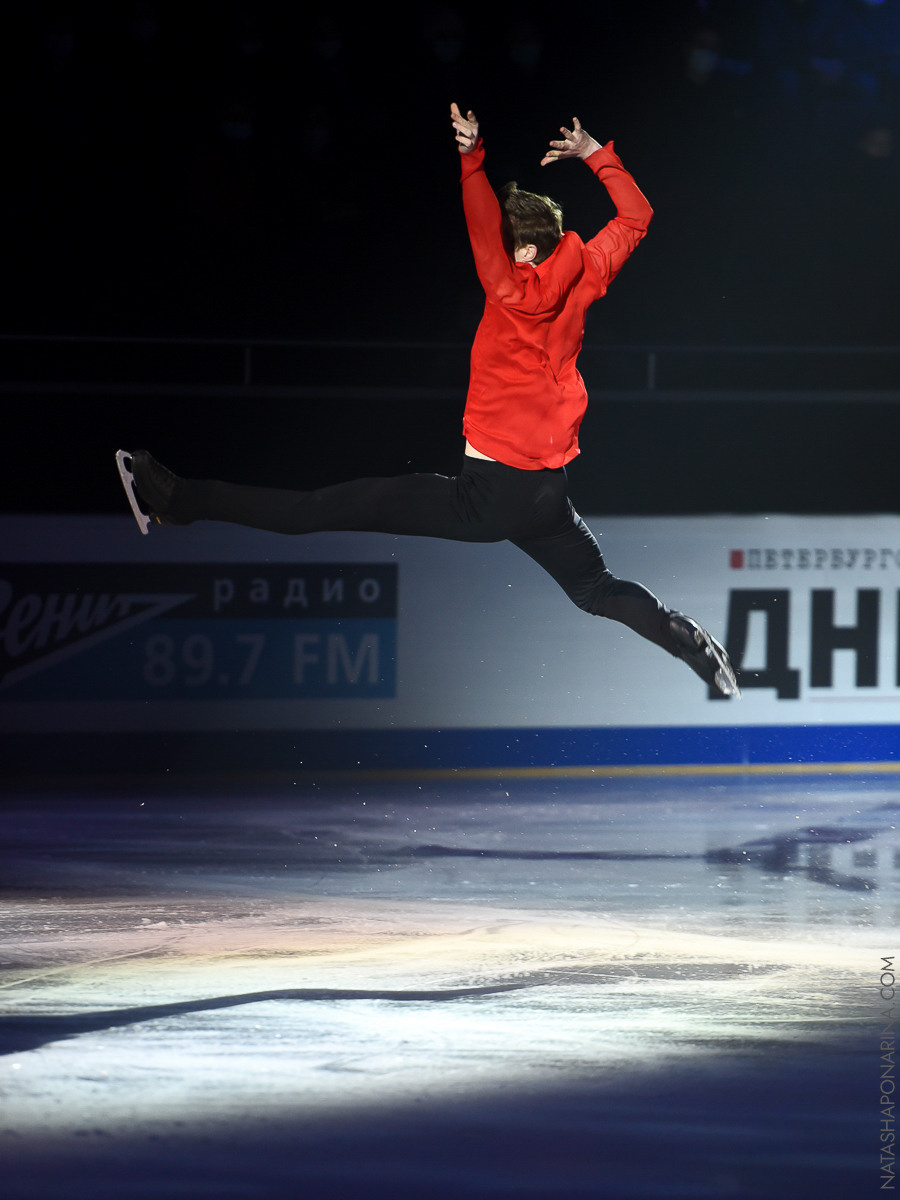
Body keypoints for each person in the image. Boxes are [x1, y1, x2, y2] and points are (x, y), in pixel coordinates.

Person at [116, 102, 739, 698]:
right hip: (548, 493)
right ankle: (683, 637)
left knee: (320, 508)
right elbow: (637, 217)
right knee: (596, 588)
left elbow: (478, 226)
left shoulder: (507, 289)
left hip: (485, 496)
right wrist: (594, 153)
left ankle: (177, 500)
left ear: (522, 251)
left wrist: (473, 160)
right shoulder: (587, 271)